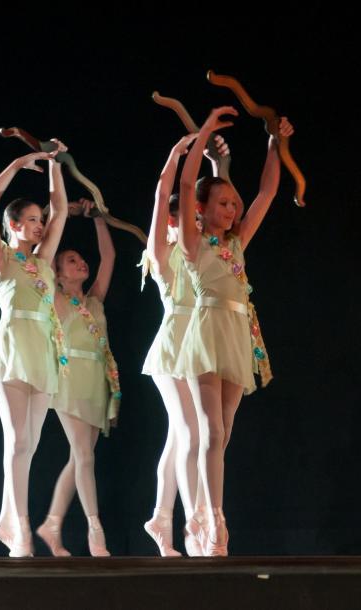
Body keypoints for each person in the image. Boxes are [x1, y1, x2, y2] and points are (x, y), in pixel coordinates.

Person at [175, 107, 293, 556]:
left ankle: (209, 510)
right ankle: (215, 519)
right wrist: (203, 135)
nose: (232, 209)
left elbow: (267, 191)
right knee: (211, 430)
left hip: (238, 333)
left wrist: (273, 143)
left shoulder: (238, 242)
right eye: (223, 203)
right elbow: (186, 186)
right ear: (202, 211)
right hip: (206, 331)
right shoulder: (192, 241)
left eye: (233, 204)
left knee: (223, 434)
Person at [140, 133, 230, 557]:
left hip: (202, 343)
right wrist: (176, 156)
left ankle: (162, 516)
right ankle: (195, 522)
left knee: (183, 436)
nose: (195, 224)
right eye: (186, 219)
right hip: (174, 346)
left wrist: (218, 167)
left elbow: (219, 208)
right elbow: (165, 195)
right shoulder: (162, 253)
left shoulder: (203, 249)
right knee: (191, 432)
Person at [0, 141, 70, 557]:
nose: (39, 225)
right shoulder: (1, 260)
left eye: (39, 220)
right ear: (13, 225)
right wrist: (17, 163)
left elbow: (62, 210)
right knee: (16, 442)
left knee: (29, 446)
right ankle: (20, 527)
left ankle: (5, 520)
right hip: (13, 348)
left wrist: (54, 164)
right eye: (31, 220)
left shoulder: (45, 261)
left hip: (44, 353)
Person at [36, 200, 120, 557]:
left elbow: (109, 258)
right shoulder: (55, 300)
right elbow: (41, 257)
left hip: (97, 384)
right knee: (84, 456)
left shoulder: (94, 301)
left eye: (79, 259)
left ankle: (51, 524)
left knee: (79, 458)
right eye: (70, 261)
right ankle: (94, 529)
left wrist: (98, 218)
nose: (79, 263)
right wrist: (56, 214)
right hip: (69, 381)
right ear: (57, 273)